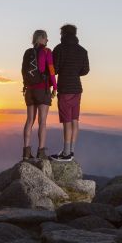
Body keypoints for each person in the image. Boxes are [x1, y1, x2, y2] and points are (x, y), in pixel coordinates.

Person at [50, 24, 89, 161]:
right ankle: (71, 150)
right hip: (77, 89)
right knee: (74, 119)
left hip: (65, 88)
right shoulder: (83, 51)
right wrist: (75, 72)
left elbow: (54, 68)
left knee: (66, 121)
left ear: (63, 34)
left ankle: (66, 154)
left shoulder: (59, 49)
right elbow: (85, 70)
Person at [22, 30, 57, 161]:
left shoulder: (27, 52)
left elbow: (23, 71)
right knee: (42, 122)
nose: (47, 41)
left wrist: (26, 85)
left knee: (29, 121)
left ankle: (26, 152)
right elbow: (51, 70)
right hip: (43, 89)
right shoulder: (47, 51)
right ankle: (41, 152)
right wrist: (55, 87)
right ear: (41, 38)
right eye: (46, 38)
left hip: (29, 90)